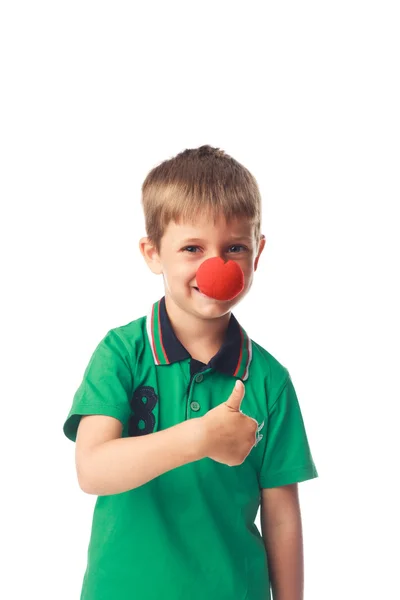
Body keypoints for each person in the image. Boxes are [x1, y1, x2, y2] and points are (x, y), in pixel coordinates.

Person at [63, 144, 319, 600]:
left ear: (256, 254)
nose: (215, 266)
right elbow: (92, 470)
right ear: (153, 253)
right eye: (192, 248)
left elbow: (282, 516)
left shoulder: (269, 380)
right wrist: (200, 437)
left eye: (234, 247)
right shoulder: (122, 353)